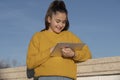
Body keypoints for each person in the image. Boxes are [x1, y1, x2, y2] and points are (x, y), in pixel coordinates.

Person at [26, 0, 92, 80]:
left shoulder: (70, 35)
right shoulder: (38, 36)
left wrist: (73, 54)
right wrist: (50, 51)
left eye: (64, 22)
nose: (61, 25)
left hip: (68, 77)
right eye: (58, 21)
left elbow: (88, 54)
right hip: (45, 77)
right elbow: (30, 63)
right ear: (49, 19)